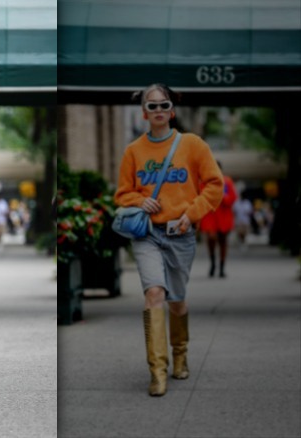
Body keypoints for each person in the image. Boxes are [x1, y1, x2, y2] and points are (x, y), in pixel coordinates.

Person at [114, 83, 223, 397]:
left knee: (177, 300)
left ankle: (180, 353)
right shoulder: (133, 151)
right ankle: (157, 371)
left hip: (181, 234)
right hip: (147, 234)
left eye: (164, 105)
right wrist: (138, 200)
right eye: (152, 106)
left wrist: (191, 214)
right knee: (154, 293)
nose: (158, 111)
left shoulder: (192, 145)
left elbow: (214, 185)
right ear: (144, 112)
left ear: (172, 110)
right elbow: (121, 194)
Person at [198, 161, 236, 277]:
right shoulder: (204, 183)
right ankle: (213, 263)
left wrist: (223, 197)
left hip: (224, 216)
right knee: (211, 238)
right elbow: (200, 197)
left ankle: (221, 267)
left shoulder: (227, 182)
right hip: (210, 216)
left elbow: (233, 198)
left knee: (223, 241)